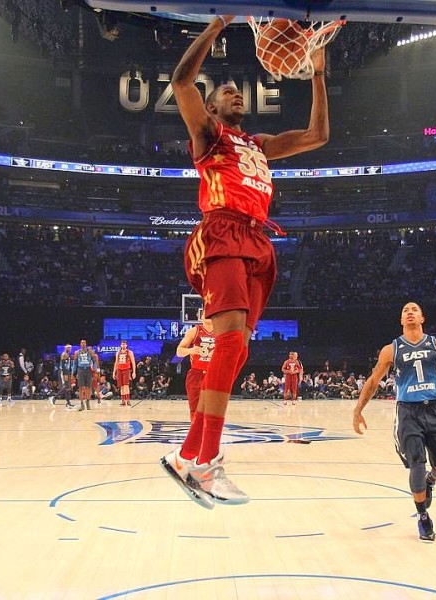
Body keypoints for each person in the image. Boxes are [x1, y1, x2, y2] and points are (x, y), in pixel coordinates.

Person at [161, 13, 331, 508]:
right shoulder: (209, 137)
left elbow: (318, 135)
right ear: (212, 108)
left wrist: (317, 71)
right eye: (227, 93)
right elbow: (180, 81)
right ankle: (207, 464)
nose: (236, 95)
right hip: (221, 231)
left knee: (235, 350)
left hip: (258, 242)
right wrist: (216, 26)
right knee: (230, 337)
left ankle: (188, 455)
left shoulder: (258, 145)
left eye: (240, 93)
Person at [352, 302, 436, 542]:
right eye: (405, 311)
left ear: (423, 318)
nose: (409, 312)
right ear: (401, 320)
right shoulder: (391, 349)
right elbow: (373, 381)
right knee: (417, 465)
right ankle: (423, 518)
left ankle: (431, 481)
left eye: (414, 310)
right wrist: (358, 410)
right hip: (408, 413)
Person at [176, 314, 215, 421]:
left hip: (214, 374)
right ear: (199, 316)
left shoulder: (221, 332)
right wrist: (190, 350)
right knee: (195, 410)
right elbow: (179, 352)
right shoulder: (194, 331)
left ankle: (209, 434)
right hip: (196, 373)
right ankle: (196, 433)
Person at [73, 339, 99, 411]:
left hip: (88, 369)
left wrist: (95, 371)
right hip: (80, 369)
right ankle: (82, 404)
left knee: (89, 387)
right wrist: (73, 373)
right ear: (80, 344)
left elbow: (94, 362)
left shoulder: (90, 352)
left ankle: (87, 402)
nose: (83, 344)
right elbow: (74, 364)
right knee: (81, 388)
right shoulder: (77, 352)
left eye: (84, 343)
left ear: (86, 344)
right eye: (82, 343)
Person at [112, 340, 137, 406]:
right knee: (121, 386)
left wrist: (134, 372)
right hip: (119, 369)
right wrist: (114, 372)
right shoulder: (118, 352)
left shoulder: (130, 352)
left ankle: (128, 400)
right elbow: (116, 362)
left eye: (124, 344)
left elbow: (133, 362)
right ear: (120, 345)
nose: (123, 345)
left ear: (126, 345)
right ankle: (123, 400)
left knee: (126, 385)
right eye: (122, 344)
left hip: (126, 369)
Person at [57, 344, 75, 409]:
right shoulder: (64, 354)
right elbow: (63, 365)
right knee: (66, 387)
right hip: (63, 371)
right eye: (69, 348)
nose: (70, 349)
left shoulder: (67, 354)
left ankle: (68, 403)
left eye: (70, 348)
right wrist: (65, 374)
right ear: (66, 348)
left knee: (68, 387)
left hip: (67, 371)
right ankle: (54, 397)